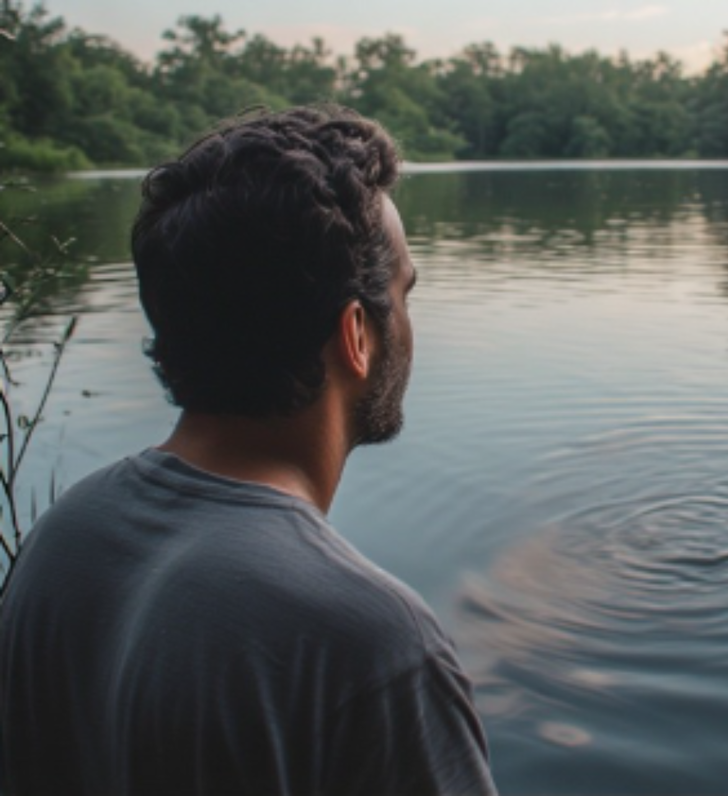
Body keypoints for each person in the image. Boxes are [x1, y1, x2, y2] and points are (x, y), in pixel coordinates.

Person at [0, 105, 498, 794]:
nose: (410, 325)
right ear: (356, 334)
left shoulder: (61, 542)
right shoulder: (369, 644)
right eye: (404, 294)